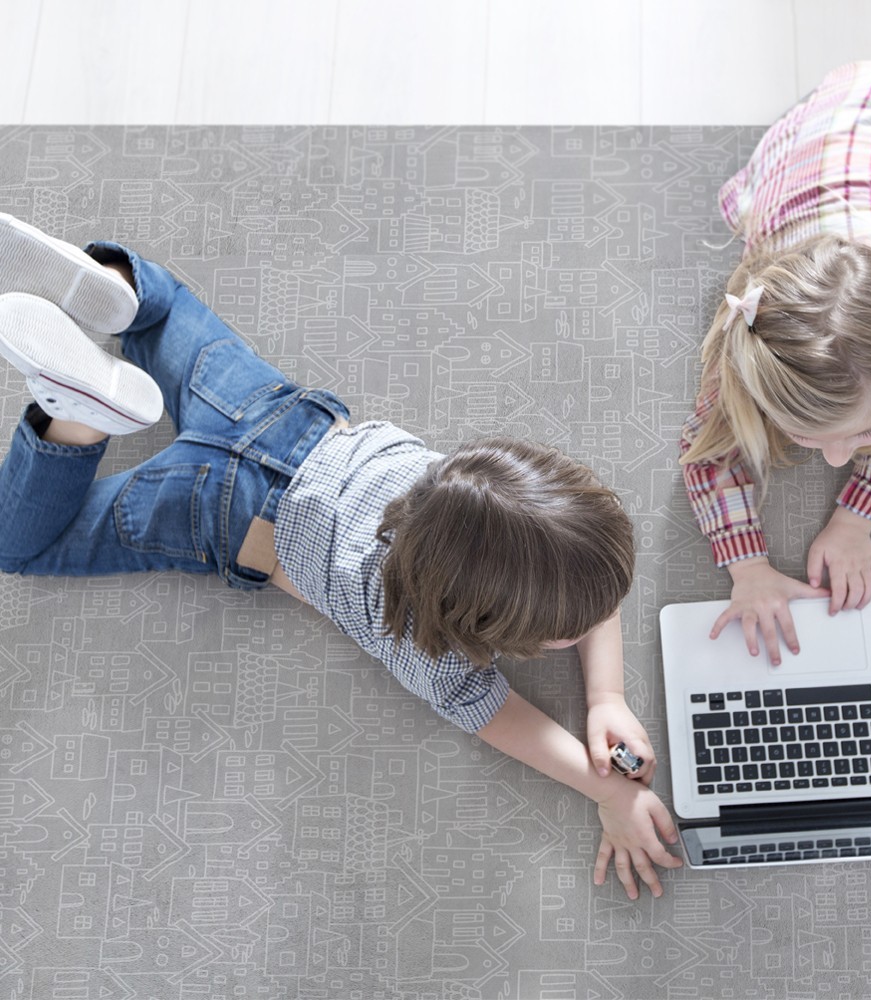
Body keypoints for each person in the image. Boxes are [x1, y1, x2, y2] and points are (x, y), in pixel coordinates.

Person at [0, 213, 682, 899]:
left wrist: (606, 697)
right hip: (217, 507)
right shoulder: (430, 649)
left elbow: (581, 573)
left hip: (277, 415)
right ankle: (77, 416)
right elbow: (501, 718)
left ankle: (115, 290)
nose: (596, 621)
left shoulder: (468, 491)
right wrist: (605, 792)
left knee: (165, 309)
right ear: (474, 624)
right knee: (22, 545)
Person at [679, 61, 871, 666]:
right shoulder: (748, 344)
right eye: (805, 433)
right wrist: (747, 568)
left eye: (868, 430)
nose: (836, 459)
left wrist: (857, 518)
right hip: (806, 146)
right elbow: (705, 455)